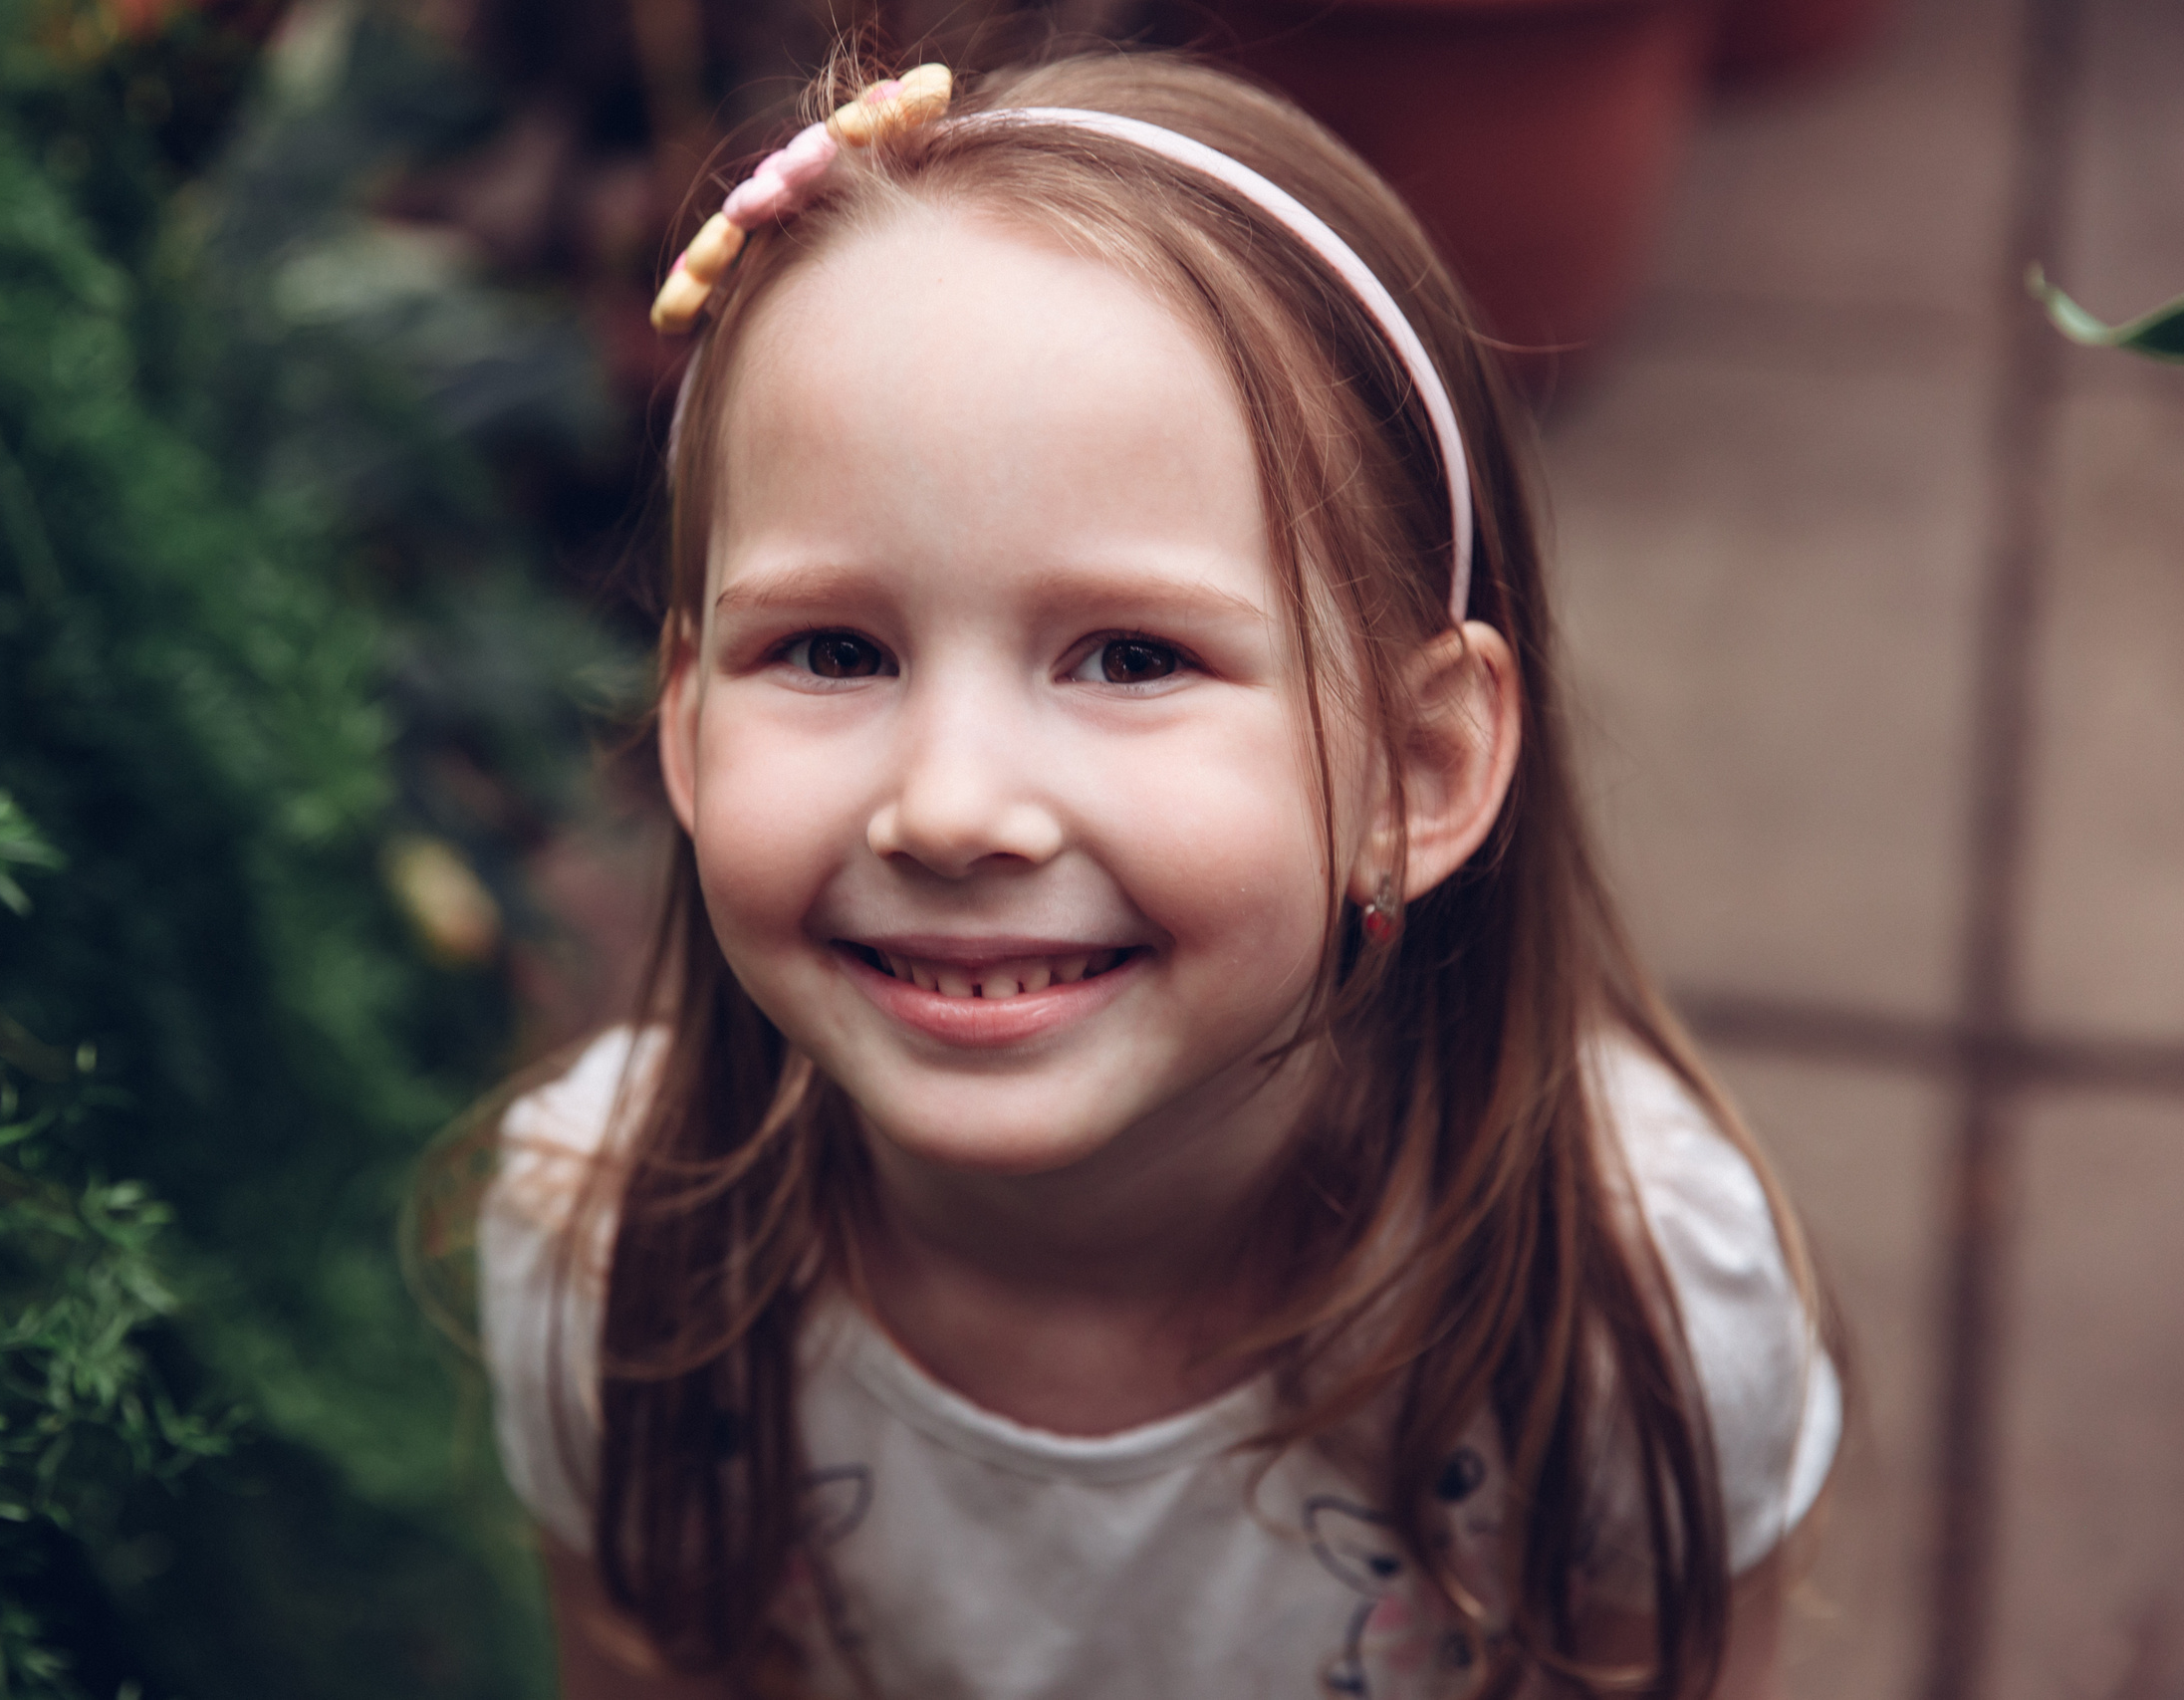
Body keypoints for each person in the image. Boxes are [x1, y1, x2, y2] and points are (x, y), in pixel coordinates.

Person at [472, 47, 1841, 1700]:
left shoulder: (1627, 1311)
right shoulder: (613, 1258)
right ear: (685, 722)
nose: (953, 806)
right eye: (833, 649)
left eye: (1129, 658)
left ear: (1418, 770)